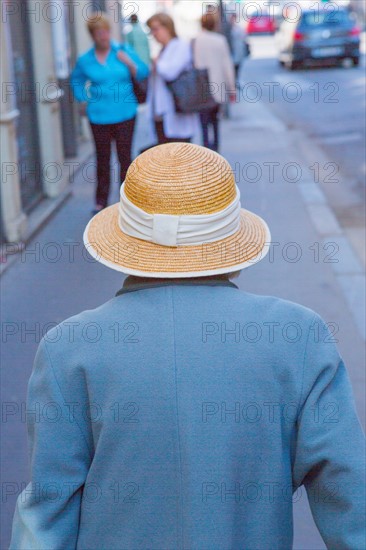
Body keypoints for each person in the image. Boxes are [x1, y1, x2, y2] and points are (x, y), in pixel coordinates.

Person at [9, 142, 365, 549]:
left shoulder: (68, 347)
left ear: (125, 244)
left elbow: (47, 514)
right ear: (233, 244)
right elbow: (350, 494)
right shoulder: (297, 335)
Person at [70, 12, 149, 216]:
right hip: (98, 116)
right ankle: (100, 201)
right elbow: (76, 80)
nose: (103, 36)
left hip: (125, 113)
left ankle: (128, 201)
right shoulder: (85, 59)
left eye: (105, 32)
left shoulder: (122, 51)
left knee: (125, 158)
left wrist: (130, 64)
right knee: (102, 159)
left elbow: (143, 71)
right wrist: (82, 99)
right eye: (98, 33)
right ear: (92, 35)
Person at [146, 13, 198, 144]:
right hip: (161, 113)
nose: (153, 34)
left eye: (156, 29)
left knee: (179, 157)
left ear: (167, 27)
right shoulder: (164, 49)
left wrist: (157, 62)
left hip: (177, 111)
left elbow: (170, 72)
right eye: (151, 30)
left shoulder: (181, 46)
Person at [194, 13, 236, 151]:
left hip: (201, 90)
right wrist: (232, 89)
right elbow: (227, 66)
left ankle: (206, 152)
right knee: (215, 122)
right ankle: (216, 152)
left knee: (204, 125)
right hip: (217, 89)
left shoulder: (196, 41)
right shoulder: (220, 40)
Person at [229, 13, 247, 85]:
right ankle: (232, 80)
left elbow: (244, 37)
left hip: (238, 49)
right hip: (231, 50)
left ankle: (236, 79)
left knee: (238, 66)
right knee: (232, 66)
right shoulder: (228, 28)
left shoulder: (239, 28)